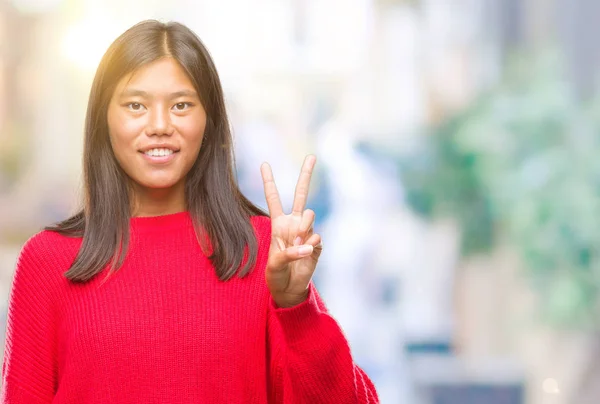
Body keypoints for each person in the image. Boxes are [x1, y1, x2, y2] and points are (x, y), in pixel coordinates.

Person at [0, 20, 379, 403]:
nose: (160, 125)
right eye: (136, 105)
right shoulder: (47, 261)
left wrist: (297, 308)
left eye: (181, 105)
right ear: (103, 119)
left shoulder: (263, 252)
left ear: (209, 121)